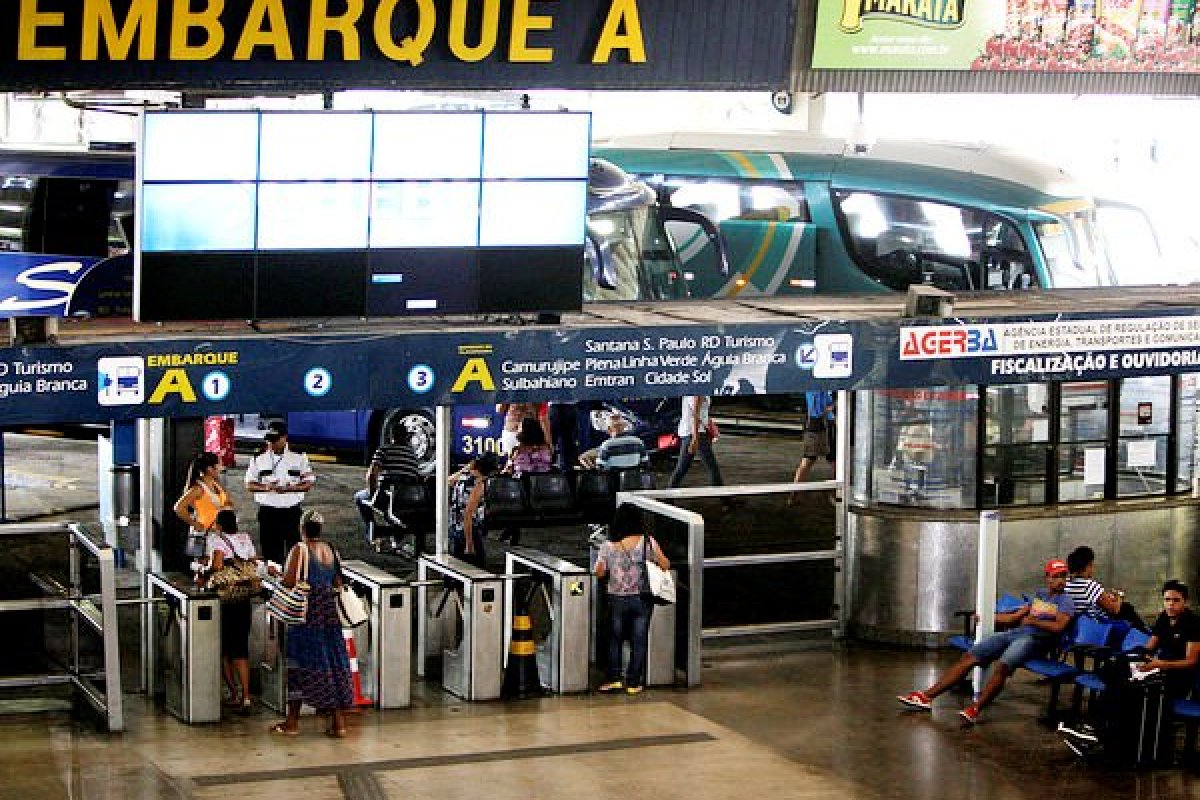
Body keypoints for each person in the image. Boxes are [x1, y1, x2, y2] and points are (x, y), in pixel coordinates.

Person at [897, 558, 1076, 724]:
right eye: (1056, 576)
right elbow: (1016, 617)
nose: (1061, 580)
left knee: (1003, 666)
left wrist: (1033, 621)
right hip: (1017, 633)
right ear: (1047, 578)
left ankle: (975, 709)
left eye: (1063, 576)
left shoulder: (1066, 602)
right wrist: (987, 618)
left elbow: (1059, 627)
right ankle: (926, 696)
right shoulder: (1041, 595)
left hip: (1036, 641)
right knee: (970, 656)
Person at [269, 510, 354, 737]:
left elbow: (289, 581)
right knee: (332, 664)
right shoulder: (331, 550)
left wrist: (274, 573)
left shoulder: (300, 549)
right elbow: (337, 581)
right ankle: (338, 724)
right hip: (329, 615)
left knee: (299, 666)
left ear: (302, 529)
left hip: (306, 616)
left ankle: (292, 722)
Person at [593, 504, 670, 695]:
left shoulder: (608, 546)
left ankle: (615, 679)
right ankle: (634, 683)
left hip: (616, 599)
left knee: (614, 639)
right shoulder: (647, 542)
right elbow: (665, 564)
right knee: (639, 640)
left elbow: (599, 571)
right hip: (641, 599)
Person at [204, 509, 259, 716]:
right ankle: (246, 697)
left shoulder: (219, 542)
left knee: (225, 650)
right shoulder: (245, 538)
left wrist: (204, 569)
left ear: (219, 525)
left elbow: (216, 566)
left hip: (227, 600)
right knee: (241, 649)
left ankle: (234, 693)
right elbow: (253, 561)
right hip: (244, 598)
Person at [245, 421, 315, 566]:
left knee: (295, 553)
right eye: (269, 439)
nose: (271, 443)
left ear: (284, 438)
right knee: (271, 556)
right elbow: (249, 484)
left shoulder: (298, 456)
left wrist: (289, 489)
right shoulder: (259, 457)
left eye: (275, 440)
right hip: (268, 513)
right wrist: (266, 488)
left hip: (292, 512)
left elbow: (308, 483)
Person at [1137, 579, 1200, 699]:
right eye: (1167, 600)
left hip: (1179, 675)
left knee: (1143, 688)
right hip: (1159, 668)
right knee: (1119, 673)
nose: (1171, 604)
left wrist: (1161, 664)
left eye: (1176, 600)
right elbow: (1150, 646)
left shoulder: (1194, 624)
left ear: (1185, 602)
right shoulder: (1163, 617)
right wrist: (1140, 657)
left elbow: (1190, 661)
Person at [353, 438, 420, 546]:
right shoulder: (413, 454)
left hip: (389, 496)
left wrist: (372, 493)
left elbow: (371, 475)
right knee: (392, 506)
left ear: (392, 437)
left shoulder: (384, 450)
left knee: (359, 497)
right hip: (409, 499)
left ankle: (372, 533)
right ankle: (396, 538)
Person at [1065, 545, 1148, 631]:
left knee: (1125, 608)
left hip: (1077, 624)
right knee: (1126, 608)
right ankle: (1146, 634)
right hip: (1095, 625)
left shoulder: (1067, 582)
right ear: (1088, 566)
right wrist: (1119, 596)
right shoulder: (1089, 585)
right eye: (1092, 565)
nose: (1093, 569)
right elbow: (1114, 609)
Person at [174, 451, 232, 562]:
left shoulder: (216, 485)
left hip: (218, 533)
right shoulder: (198, 489)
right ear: (210, 469)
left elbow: (227, 502)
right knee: (204, 570)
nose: (222, 467)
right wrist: (195, 523)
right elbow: (178, 508)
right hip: (204, 535)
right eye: (219, 464)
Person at [448, 453, 499, 569]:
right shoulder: (479, 484)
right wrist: (469, 543)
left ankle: (452, 586)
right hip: (469, 530)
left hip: (455, 526)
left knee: (456, 566)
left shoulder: (463, 476)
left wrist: (465, 469)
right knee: (478, 568)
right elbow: (468, 514)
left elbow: (449, 480)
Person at [667, 395, 723, 489]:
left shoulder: (697, 390)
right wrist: (695, 439)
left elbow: (701, 413)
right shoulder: (697, 392)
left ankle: (669, 494)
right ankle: (725, 498)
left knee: (682, 468)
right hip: (695, 433)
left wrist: (710, 424)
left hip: (693, 432)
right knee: (712, 468)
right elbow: (695, 415)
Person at [578, 412, 649, 471]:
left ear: (608, 429)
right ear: (625, 426)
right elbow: (645, 462)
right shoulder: (638, 442)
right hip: (634, 478)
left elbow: (601, 467)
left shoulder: (606, 445)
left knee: (583, 458)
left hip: (614, 480)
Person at [791, 391, 835, 485]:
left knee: (834, 459)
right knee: (809, 459)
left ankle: (837, 493)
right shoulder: (815, 387)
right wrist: (832, 407)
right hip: (817, 423)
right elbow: (818, 410)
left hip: (825, 423)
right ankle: (794, 495)